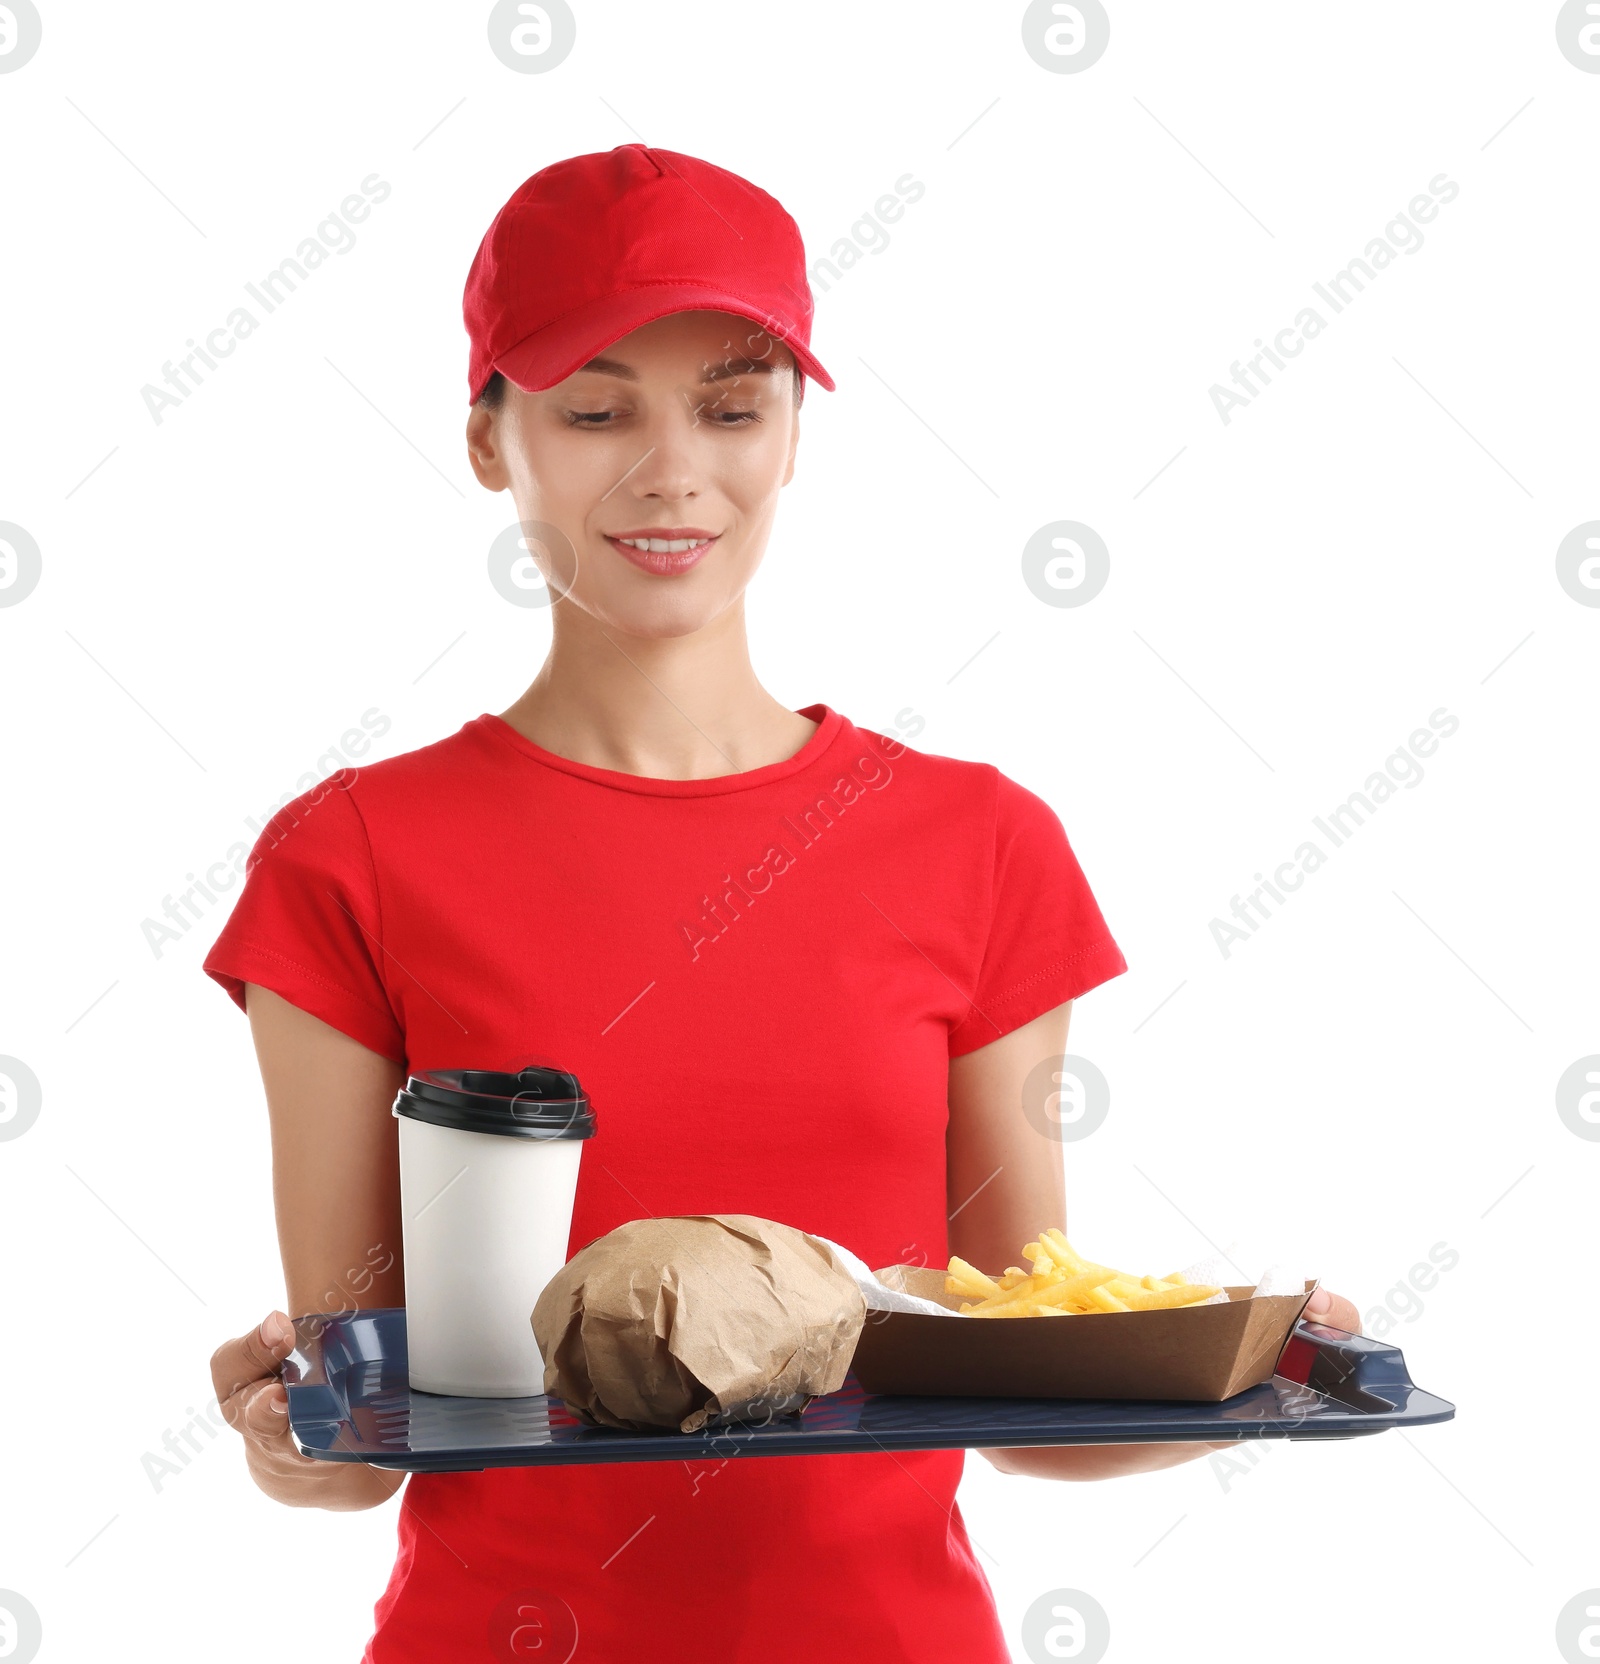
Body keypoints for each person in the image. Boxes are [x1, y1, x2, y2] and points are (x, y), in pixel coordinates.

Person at [203, 143, 1359, 1663]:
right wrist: (283, 1435)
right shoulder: (345, 859)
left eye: (731, 407)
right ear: (490, 440)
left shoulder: (981, 848)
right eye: (596, 409)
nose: (670, 469)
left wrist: (1258, 1378)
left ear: (799, 434)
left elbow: (1026, 1409)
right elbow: (366, 1418)